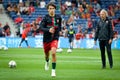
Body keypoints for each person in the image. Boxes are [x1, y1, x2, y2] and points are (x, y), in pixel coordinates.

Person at [39, 3, 62, 77]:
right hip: (46, 39)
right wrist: (48, 30)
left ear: (55, 9)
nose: (52, 10)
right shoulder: (45, 18)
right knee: (46, 55)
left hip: (54, 38)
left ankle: (53, 71)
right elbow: (41, 28)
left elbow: (59, 27)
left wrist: (59, 32)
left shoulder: (58, 17)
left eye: (53, 8)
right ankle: (47, 61)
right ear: (48, 9)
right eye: (50, 8)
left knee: (53, 53)